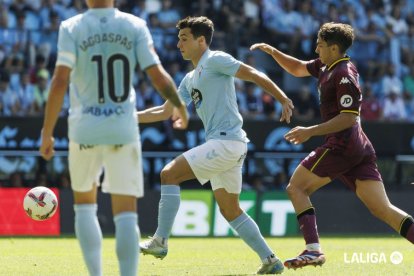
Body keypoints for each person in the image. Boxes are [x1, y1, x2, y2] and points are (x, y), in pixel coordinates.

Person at [39, 1, 188, 276]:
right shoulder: (134, 25)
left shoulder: (71, 27)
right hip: (122, 127)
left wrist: (47, 132)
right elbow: (156, 75)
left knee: (84, 206)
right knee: (126, 214)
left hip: (84, 128)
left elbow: (59, 81)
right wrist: (177, 104)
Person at [251, 22, 414, 270]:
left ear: (335, 48)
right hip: (358, 148)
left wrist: (310, 131)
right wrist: (274, 52)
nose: (316, 48)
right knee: (382, 209)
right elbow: (297, 68)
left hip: (343, 144)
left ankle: (313, 249)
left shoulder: (344, 74)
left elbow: (349, 117)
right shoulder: (327, 66)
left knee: (296, 188)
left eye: (320, 44)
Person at [138, 16, 294, 275]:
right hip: (230, 146)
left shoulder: (216, 59)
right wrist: (131, 116)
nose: (179, 44)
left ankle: (160, 241)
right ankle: (270, 260)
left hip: (226, 142)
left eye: (184, 39)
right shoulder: (189, 78)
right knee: (230, 210)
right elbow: (166, 110)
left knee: (169, 173)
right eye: (178, 39)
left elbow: (253, 74)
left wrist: (282, 97)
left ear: (201, 41)